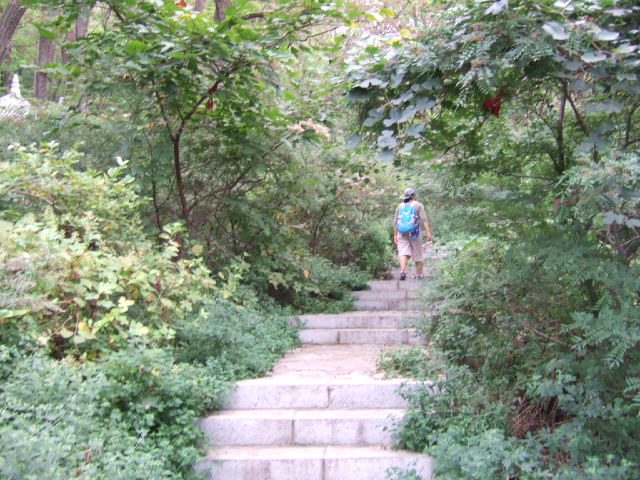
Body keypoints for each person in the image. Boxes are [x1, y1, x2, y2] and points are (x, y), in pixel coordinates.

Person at [393, 187, 432, 280]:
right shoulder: (418, 205)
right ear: (413, 196)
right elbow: (424, 219)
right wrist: (428, 232)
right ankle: (420, 274)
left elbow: (395, 222)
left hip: (402, 233)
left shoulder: (400, 206)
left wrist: (395, 235)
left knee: (403, 252)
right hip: (415, 233)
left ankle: (403, 271)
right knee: (418, 253)